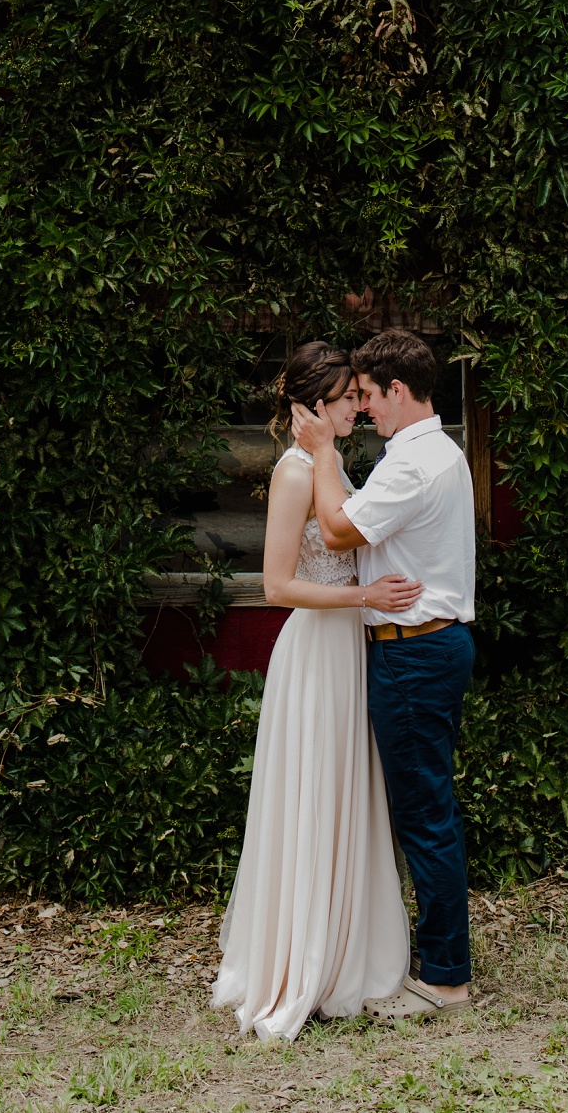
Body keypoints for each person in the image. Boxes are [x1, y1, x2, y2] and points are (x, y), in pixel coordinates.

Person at [211, 340, 417, 1041]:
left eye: (358, 397)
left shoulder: (331, 465)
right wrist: (364, 593)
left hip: (347, 651)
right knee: (313, 793)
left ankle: (345, 948)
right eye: (344, 399)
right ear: (313, 408)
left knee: (346, 791)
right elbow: (275, 586)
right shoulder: (296, 472)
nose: (358, 405)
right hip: (315, 650)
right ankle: (304, 958)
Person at [291, 329, 477, 1019]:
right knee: (429, 808)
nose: (362, 406)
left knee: (425, 815)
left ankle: (447, 978)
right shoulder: (438, 452)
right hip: (432, 644)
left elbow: (338, 532)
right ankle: (437, 959)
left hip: (414, 650)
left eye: (367, 394)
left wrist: (321, 452)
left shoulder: (411, 465)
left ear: (397, 389)